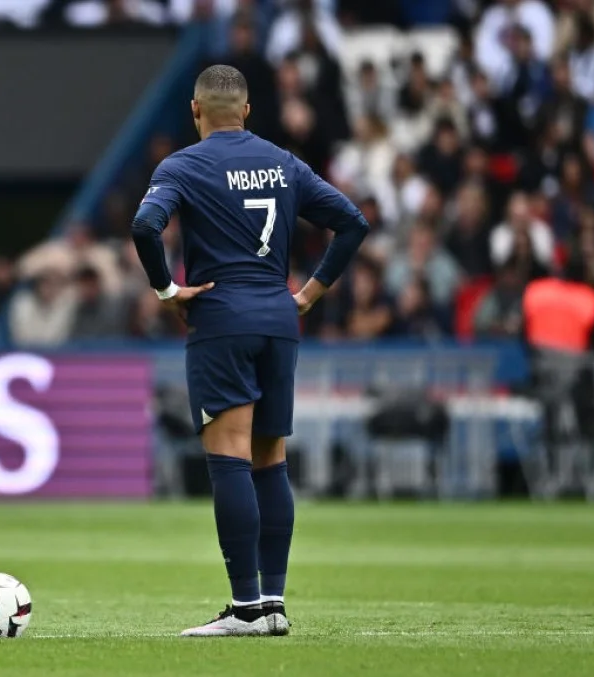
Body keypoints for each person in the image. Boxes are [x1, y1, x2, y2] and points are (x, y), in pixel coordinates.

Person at [130, 64, 368, 637]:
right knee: (270, 458)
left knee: (230, 457)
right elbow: (352, 223)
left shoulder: (182, 166)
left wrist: (167, 291)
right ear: (247, 111)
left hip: (221, 317)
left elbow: (145, 226)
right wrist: (309, 294)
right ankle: (274, 604)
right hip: (279, 317)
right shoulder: (284, 163)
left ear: (195, 110)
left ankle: (245, 608)